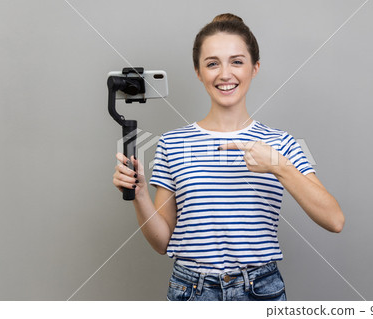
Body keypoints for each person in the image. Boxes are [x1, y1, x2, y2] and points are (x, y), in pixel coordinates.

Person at [113, 13, 344, 301]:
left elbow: (334, 220)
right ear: (199, 72)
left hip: (260, 291)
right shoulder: (172, 144)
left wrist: (278, 166)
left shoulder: (281, 144)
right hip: (192, 292)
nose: (225, 74)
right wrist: (140, 195)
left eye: (237, 61)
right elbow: (161, 242)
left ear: (254, 67)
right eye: (212, 63)